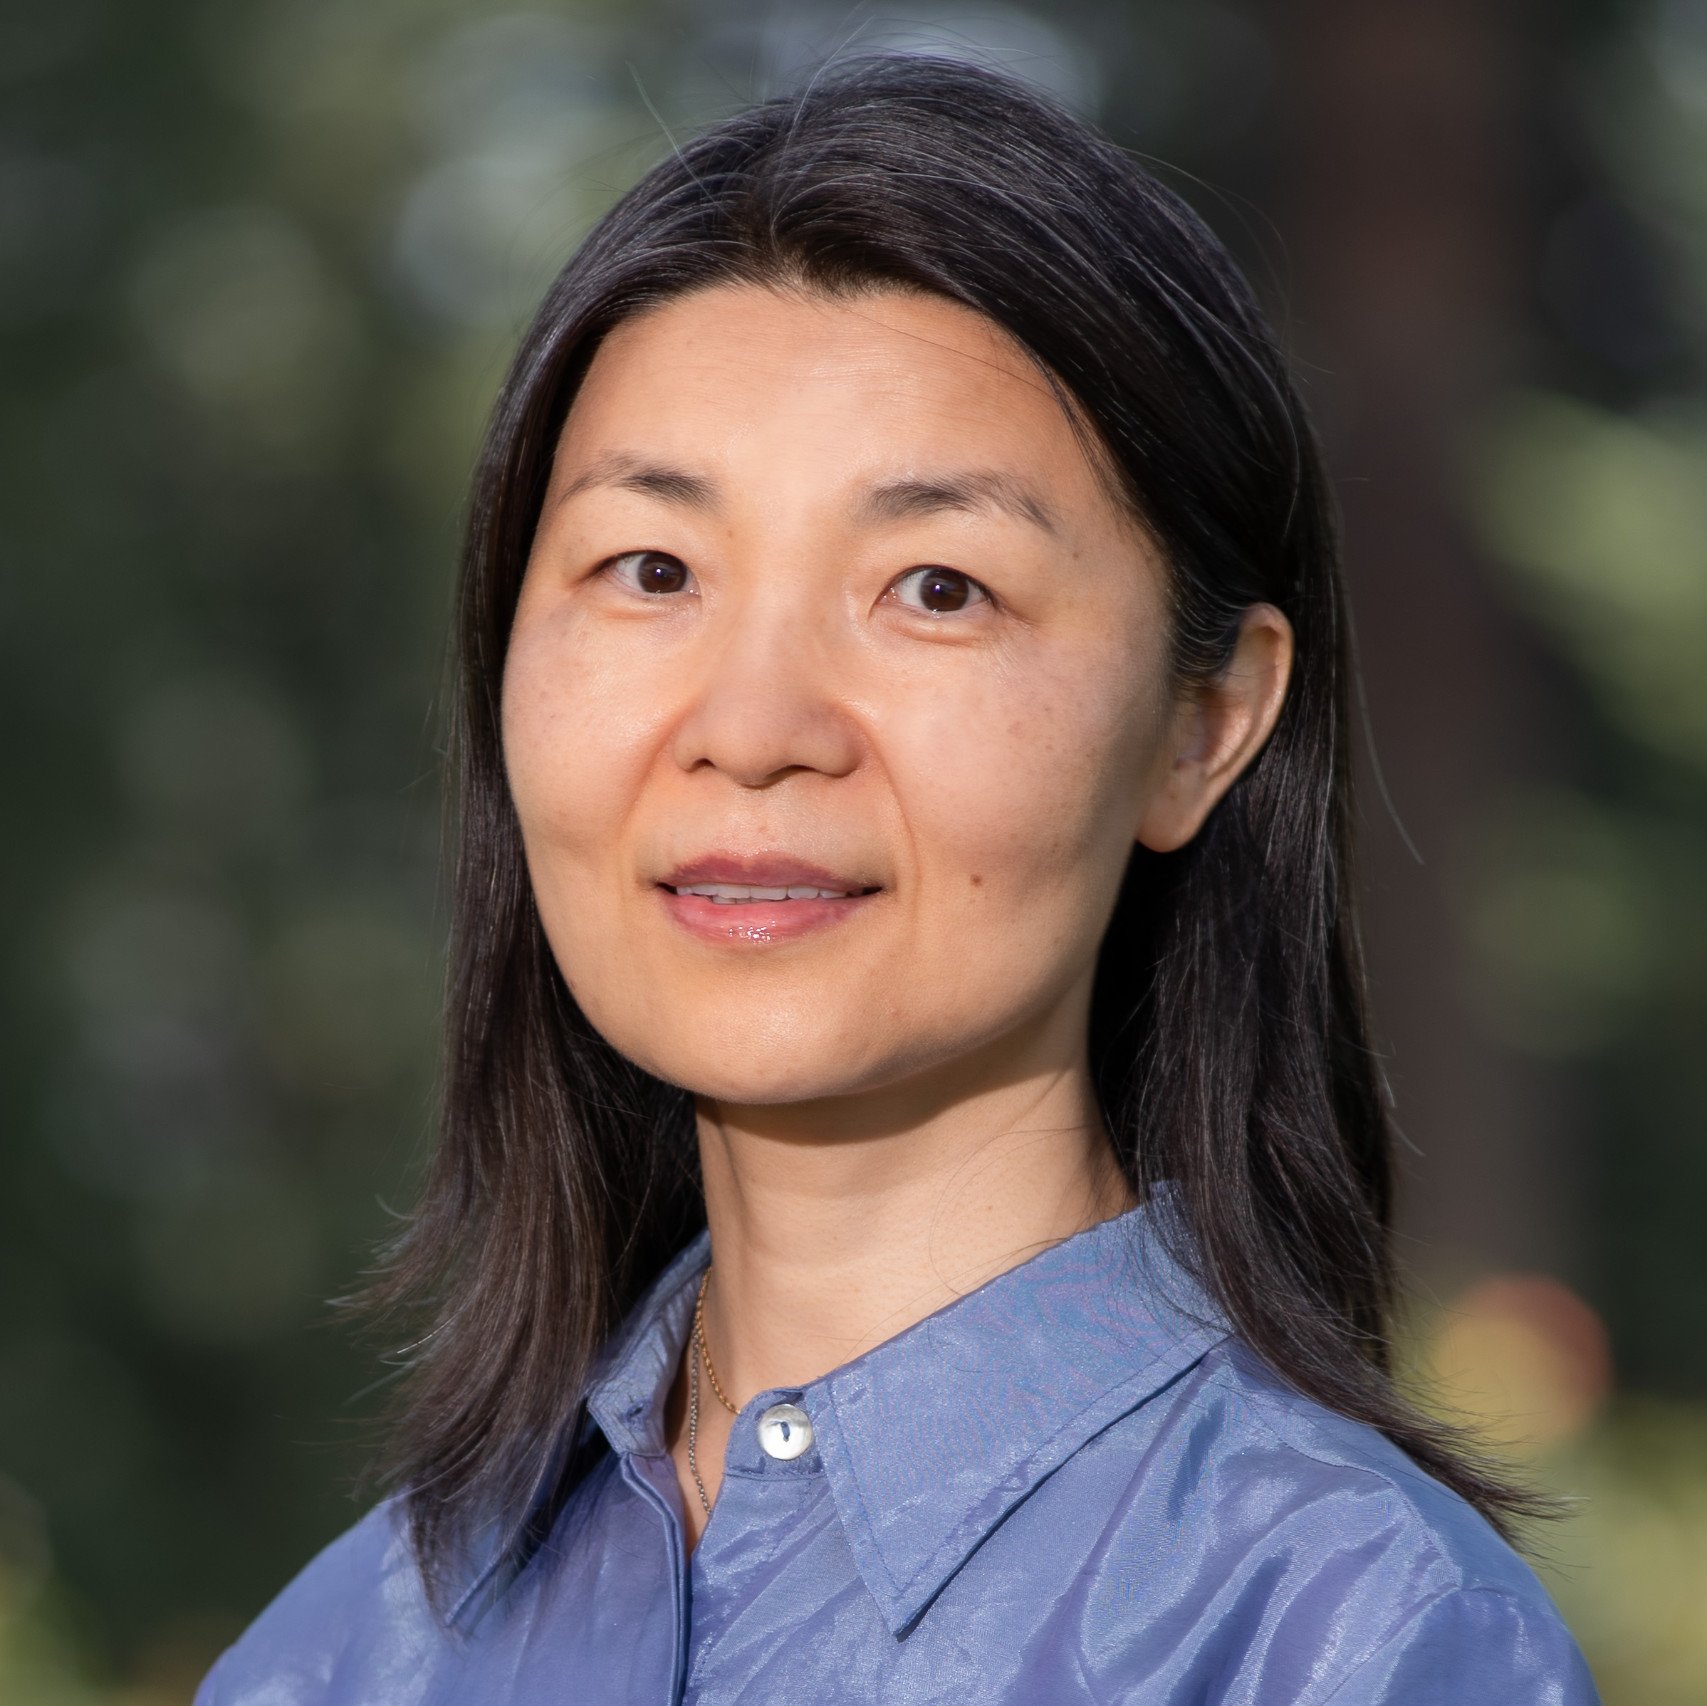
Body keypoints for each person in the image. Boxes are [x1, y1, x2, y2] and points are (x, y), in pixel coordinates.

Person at [193, 52, 1600, 1705]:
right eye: (650, 569)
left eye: (935, 586)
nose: (753, 728)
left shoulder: (1346, 1637)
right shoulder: (348, 1654)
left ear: (1205, 724)